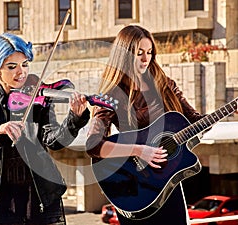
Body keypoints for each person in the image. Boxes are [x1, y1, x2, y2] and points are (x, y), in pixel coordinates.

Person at [0, 33, 90, 225]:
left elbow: (53, 140)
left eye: (25, 64)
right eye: (12, 66)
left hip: (41, 195)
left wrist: (74, 118)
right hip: (2, 199)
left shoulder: (38, 98)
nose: (21, 72)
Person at [85, 25, 213, 225]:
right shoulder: (111, 95)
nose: (146, 59)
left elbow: (196, 121)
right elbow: (93, 145)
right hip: (133, 187)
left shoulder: (165, 84)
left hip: (168, 182)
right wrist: (139, 150)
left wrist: (228, 110)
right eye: (139, 53)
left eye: (149, 52)